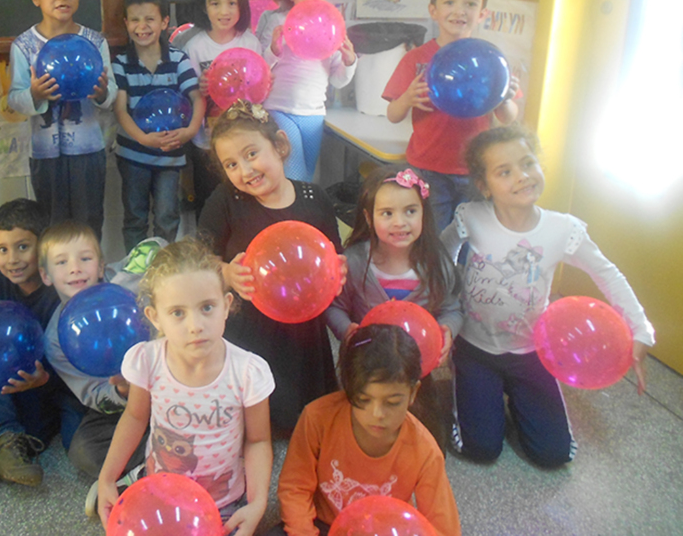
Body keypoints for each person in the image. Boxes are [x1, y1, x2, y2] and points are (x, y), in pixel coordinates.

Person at [442, 125, 655, 468]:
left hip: (532, 352)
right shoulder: (472, 217)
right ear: (484, 185)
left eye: (528, 163)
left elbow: (607, 273)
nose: (522, 177)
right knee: (481, 449)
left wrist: (640, 328)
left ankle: (513, 398)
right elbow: (441, 255)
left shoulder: (563, 230)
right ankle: (478, 397)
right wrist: (446, 311)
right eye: (505, 171)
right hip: (476, 349)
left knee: (554, 455)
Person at [94, 239, 274, 536]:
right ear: (155, 318)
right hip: (159, 494)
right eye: (178, 312)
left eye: (207, 307)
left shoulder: (247, 372)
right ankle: (127, 481)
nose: (195, 325)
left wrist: (257, 504)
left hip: (224, 503)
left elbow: (257, 441)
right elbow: (136, 418)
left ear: (227, 306)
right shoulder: (147, 360)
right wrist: (106, 478)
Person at [198, 100, 345, 433]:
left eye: (251, 154)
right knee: (248, 419)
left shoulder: (315, 199)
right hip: (248, 328)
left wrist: (338, 271)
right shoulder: (226, 200)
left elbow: (333, 256)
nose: (245, 171)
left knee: (301, 419)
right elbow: (198, 258)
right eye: (231, 164)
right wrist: (224, 272)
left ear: (280, 145)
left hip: (302, 332)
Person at [271, 324, 461, 536]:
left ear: (413, 393)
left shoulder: (424, 450)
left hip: (380, 529)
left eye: (392, 402)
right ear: (349, 388)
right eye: (363, 399)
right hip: (322, 524)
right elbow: (295, 488)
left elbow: (443, 528)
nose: (377, 414)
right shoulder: (317, 418)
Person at [326, 165, 462, 451]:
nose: (400, 222)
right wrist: (345, 330)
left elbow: (452, 307)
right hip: (366, 368)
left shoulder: (436, 262)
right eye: (387, 213)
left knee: (423, 437)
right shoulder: (355, 261)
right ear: (368, 217)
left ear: (424, 213)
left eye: (410, 211)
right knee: (358, 431)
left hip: (416, 372)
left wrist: (448, 329)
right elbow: (334, 307)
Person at [382, 0, 519, 228]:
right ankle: (435, 271)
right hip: (428, 166)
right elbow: (393, 114)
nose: (459, 11)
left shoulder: (491, 61)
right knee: (433, 236)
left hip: (477, 168)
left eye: (470, 4)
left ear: (482, 14)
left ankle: (461, 271)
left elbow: (508, 118)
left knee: (471, 236)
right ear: (433, 10)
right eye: (449, 2)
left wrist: (505, 98)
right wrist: (408, 98)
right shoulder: (417, 59)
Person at [8, 0, 116, 241]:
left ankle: (90, 282)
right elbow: (14, 99)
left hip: (89, 152)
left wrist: (103, 93)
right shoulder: (24, 46)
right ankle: (56, 284)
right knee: (51, 226)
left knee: (88, 222)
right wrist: (33, 94)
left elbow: (112, 94)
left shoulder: (95, 42)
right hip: (45, 154)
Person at [36, 221, 145, 481]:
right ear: (46, 276)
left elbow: (157, 246)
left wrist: (129, 284)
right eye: (61, 262)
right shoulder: (55, 340)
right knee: (83, 450)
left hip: (174, 384)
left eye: (85, 258)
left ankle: (165, 458)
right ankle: (154, 466)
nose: (75, 268)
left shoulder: (122, 281)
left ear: (100, 265)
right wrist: (122, 390)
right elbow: (94, 394)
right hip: (128, 405)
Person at [0, 198, 84, 453]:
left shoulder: (61, 287)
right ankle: (6, 442)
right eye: (3, 249)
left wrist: (46, 379)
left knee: (75, 442)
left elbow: (75, 355)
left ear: (43, 248)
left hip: (65, 381)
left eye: (22, 247)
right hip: (23, 376)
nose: (12, 259)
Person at [112, 0, 204, 249]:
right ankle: (136, 276)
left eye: (150, 19)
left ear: (165, 22)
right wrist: (143, 139)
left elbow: (197, 98)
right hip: (133, 156)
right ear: (126, 23)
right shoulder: (121, 63)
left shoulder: (178, 59)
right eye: (135, 20)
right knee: (135, 218)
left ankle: (163, 279)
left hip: (171, 154)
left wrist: (190, 132)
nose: (142, 27)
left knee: (166, 217)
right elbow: (120, 109)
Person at [255, 0, 357, 182]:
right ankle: (291, 216)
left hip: (313, 113)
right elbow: (260, 70)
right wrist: (274, 50)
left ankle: (300, 217)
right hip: (279, 108)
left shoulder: (332, 24)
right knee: (295, 174)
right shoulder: (278, 21)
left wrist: (349, 61)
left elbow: (337, 80)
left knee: (309, 175)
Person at [182, 0, 263, 214]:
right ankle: (209, 250)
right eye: (215, 3)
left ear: (242, 6)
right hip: (207, 142)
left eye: (231, 3)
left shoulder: (250, 42)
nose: (224, 11)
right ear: (204, 7)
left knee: (244, 199)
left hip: (243, 138)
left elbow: (258, 90)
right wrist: (201, 88)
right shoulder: (195, 46)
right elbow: (187, 94)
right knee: (209, 201)